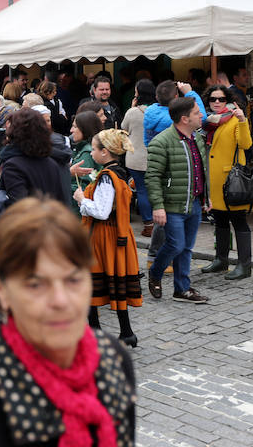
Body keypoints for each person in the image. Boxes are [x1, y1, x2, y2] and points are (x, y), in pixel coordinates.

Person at [0, 197, 136, 447]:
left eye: (73, 280)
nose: (61, 301)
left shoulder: (112, 359)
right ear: (3, 291)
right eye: (35, 284)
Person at [73, 129, 142, 347]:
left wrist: (82, 198)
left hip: (103, 235)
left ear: (105, 152)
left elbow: (101, 211)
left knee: (92, 281)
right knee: (116, 278)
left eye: (94, 149)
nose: (91, 153)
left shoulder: (107, 177)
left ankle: (95, 332)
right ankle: (126, 332)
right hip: (118, 233)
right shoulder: (121, 172)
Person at [145, 97, 210, 304]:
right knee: (176, 245)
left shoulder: (197, 138)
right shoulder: (161, 142)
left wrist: (205, 198)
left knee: (186, 247)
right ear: (184, 119)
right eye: (196, 112)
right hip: (172, 204)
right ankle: (155, 273)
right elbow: (153, 176)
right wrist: (158, 206)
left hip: (193, 203)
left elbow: (201, 171)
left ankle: (181, 289)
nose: (201, 115)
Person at [200, 85, 253, 281]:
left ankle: (244, 265)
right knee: (220, 220)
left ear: (227, 100)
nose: (216, 102)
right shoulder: (207, 122)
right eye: (213, 99)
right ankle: (221, 259)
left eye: (221, 99)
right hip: (213, 182)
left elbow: (246, 144)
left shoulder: (233, 118)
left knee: (239, 221)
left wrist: (242, 120)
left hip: (232, 181)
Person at [0, 108, 65, 202]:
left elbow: (18, 204)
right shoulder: (51, 164)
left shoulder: (13, 165)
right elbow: (60, 201)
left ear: (15, 131)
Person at [121, 79, 155, 237]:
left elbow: (123, 128)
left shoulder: (133, 112)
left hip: (135, 158)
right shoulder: (159, 110)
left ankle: (148, 224)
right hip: (156, 157)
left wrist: (132, 108)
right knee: (156, 190)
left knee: (142, 190)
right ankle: (159, 221)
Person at [143, 81, 207, 146]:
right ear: (176, 97)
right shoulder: (175, 117)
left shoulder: (149, 111)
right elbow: (202, 117)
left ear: (156, 97)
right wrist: (189, 93)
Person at [67, 111, 103, 216]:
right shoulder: (85, 148)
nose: (71, 130)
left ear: (85, 128)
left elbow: (80, 185)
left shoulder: (87, 153)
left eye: (74, 127)